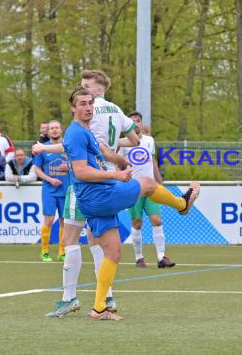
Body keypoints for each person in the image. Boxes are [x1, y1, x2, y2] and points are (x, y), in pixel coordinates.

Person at [60, 87, 200, 320]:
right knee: (146, 183)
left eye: (89, 103)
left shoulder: (85, 131)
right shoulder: (76, 133)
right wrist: (115, 175)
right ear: (73, 108)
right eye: (82, 104)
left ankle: (99, 309)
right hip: (98, 196)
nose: (87, 108)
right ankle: (181, 205)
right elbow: (82, 171)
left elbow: (96, 159)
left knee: (113, 252)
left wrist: (118, 160)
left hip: (96, 196)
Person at [38, 70, 141, 317]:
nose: (82, 90)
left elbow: (76, 143)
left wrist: (45, 147)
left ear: (98, 89)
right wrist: (114, 150)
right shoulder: (117, 111)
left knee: (70, 239)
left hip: (87, 183)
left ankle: (69, 298)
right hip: (108, 181)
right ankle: (107, 299)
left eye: (86, 86)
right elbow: (135, 140)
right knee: (100, 243)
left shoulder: (89, 115)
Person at [118, 111, 175, 268]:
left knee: (157, 220)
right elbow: (118, 164)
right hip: (134, 187)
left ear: (142, 124)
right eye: (132, 121)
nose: (135, 124)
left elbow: (153, 161)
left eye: (138, 121)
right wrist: (119, 177)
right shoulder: (122, 142)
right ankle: (139, 257)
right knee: (137, 223)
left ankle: (161, 257)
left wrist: (160, 182)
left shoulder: (149, 140)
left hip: (151, 187)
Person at [33, 120, 69, 262]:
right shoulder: (42, 148)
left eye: (57, 128)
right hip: (49, 190)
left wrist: (69, 168)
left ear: (61, 130)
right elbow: (36, 168)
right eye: (51, 128)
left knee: (64, 222)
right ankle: (45, 252)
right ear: (47, 132)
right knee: (48, 220)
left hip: (66, 189)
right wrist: (50, 179)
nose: (54, 130)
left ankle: (62, 252)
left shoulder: (67, 147)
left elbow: (78, 165)